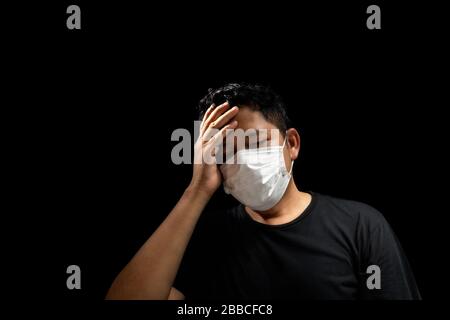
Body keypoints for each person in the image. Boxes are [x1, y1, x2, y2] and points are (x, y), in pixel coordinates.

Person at [105, 83, 421, 300]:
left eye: (256, 143)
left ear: (292, 144)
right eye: (227, 151)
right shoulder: (205, 238)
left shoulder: (360, 226)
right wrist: (196, 190)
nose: (243, 160)